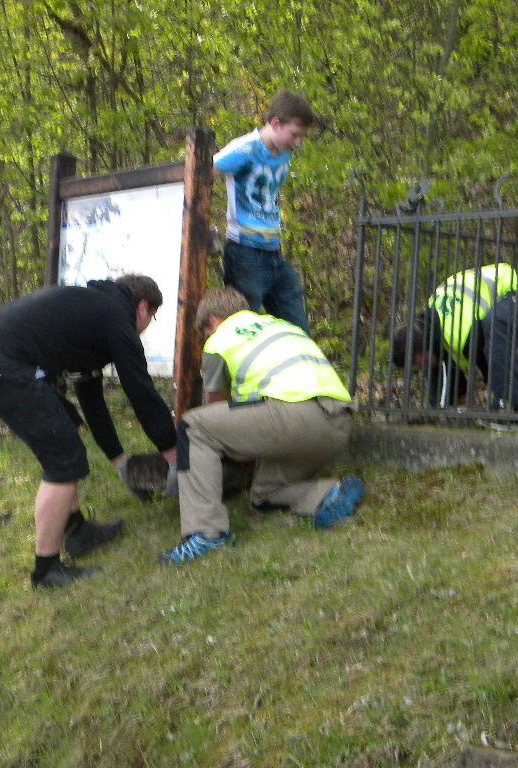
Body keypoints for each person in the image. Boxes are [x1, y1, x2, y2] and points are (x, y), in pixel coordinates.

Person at [0, 274, 177, 588]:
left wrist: (122, 466)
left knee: (66, 436)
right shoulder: (117, 318)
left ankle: (77, 532)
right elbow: (142, 393)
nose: (146, 326)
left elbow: (92, 402)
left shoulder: (91, 313)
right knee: (63, 461)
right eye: (151, 318)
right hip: (1, 365)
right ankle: (46, 571)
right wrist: (174, 457)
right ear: (143, 307)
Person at [160, 287, 364, 563]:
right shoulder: (282, 327)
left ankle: (206, 534)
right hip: (336, 425)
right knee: (264, 496)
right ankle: (329, 493)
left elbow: (215, 408)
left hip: (292, 420)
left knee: (193, 427)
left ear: (214, 320)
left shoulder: (220, 340)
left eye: (206, 331)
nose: (207, 337)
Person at [213, 90, 315, 334]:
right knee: (241, 329)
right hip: (245, 253)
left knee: (298, 331)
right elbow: (201, 173)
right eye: (294, 134)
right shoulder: (245, 149)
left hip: (274, 253)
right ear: (276, 123)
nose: (297, 142)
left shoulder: (284, 153)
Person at [391, 262, 518, 414]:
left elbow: (497, 366)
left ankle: (508, 406)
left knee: (495, 333)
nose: (419, 367)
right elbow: (441, 389)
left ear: (424, 348)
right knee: (444, 374)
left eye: (417, 362)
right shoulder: (432, 329)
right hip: (481, 318)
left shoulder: (460, 333)